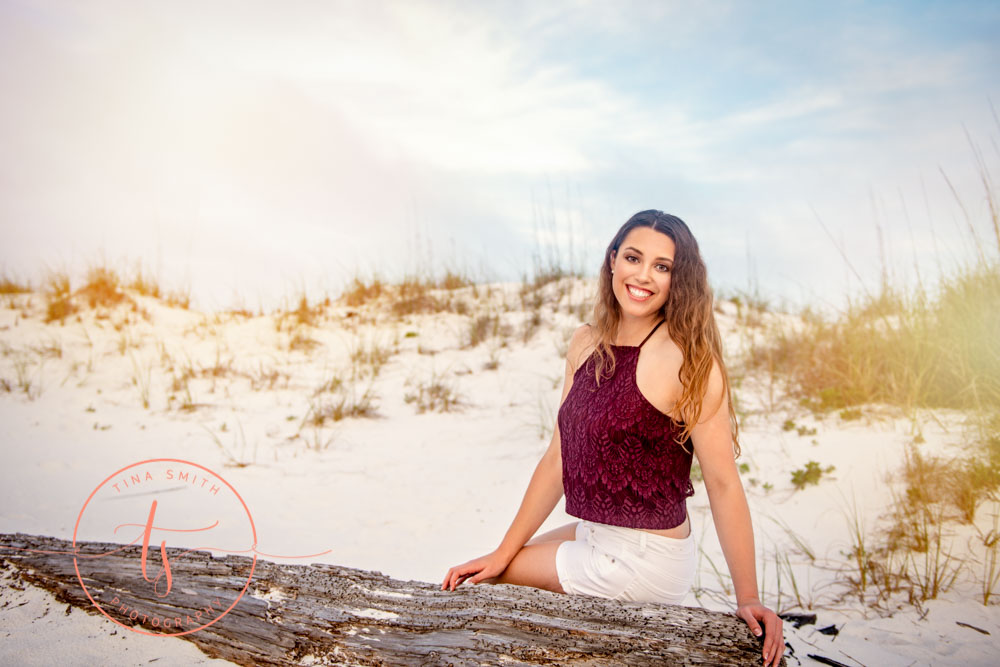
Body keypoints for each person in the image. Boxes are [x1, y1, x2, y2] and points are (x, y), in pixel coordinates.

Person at [441, 210, 784, 666]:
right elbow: (557, 458)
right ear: (612, 261)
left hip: (644, 559)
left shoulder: (687, 360)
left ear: (678, 280)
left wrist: (749, 597)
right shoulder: (585, 343)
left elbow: (723, 483)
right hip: (599, 533)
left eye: (662, 267)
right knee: (499, 563)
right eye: (634, 258)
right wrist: (503, 550)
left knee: (486, 583)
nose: (644, 276)